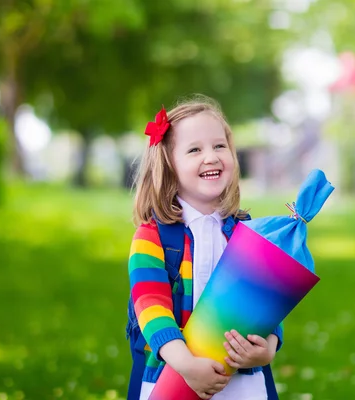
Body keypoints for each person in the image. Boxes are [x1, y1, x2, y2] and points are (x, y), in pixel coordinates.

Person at [128, 96, 283, 400]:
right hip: (172, 376)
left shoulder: (247, 232)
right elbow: (150, 307)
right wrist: (186, 365)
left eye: (219, 146)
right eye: (195, 149)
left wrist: (267, 350)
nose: (210, 157)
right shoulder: (153, 237)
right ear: (169, 165)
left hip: (242, 382)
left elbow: (267, 302)